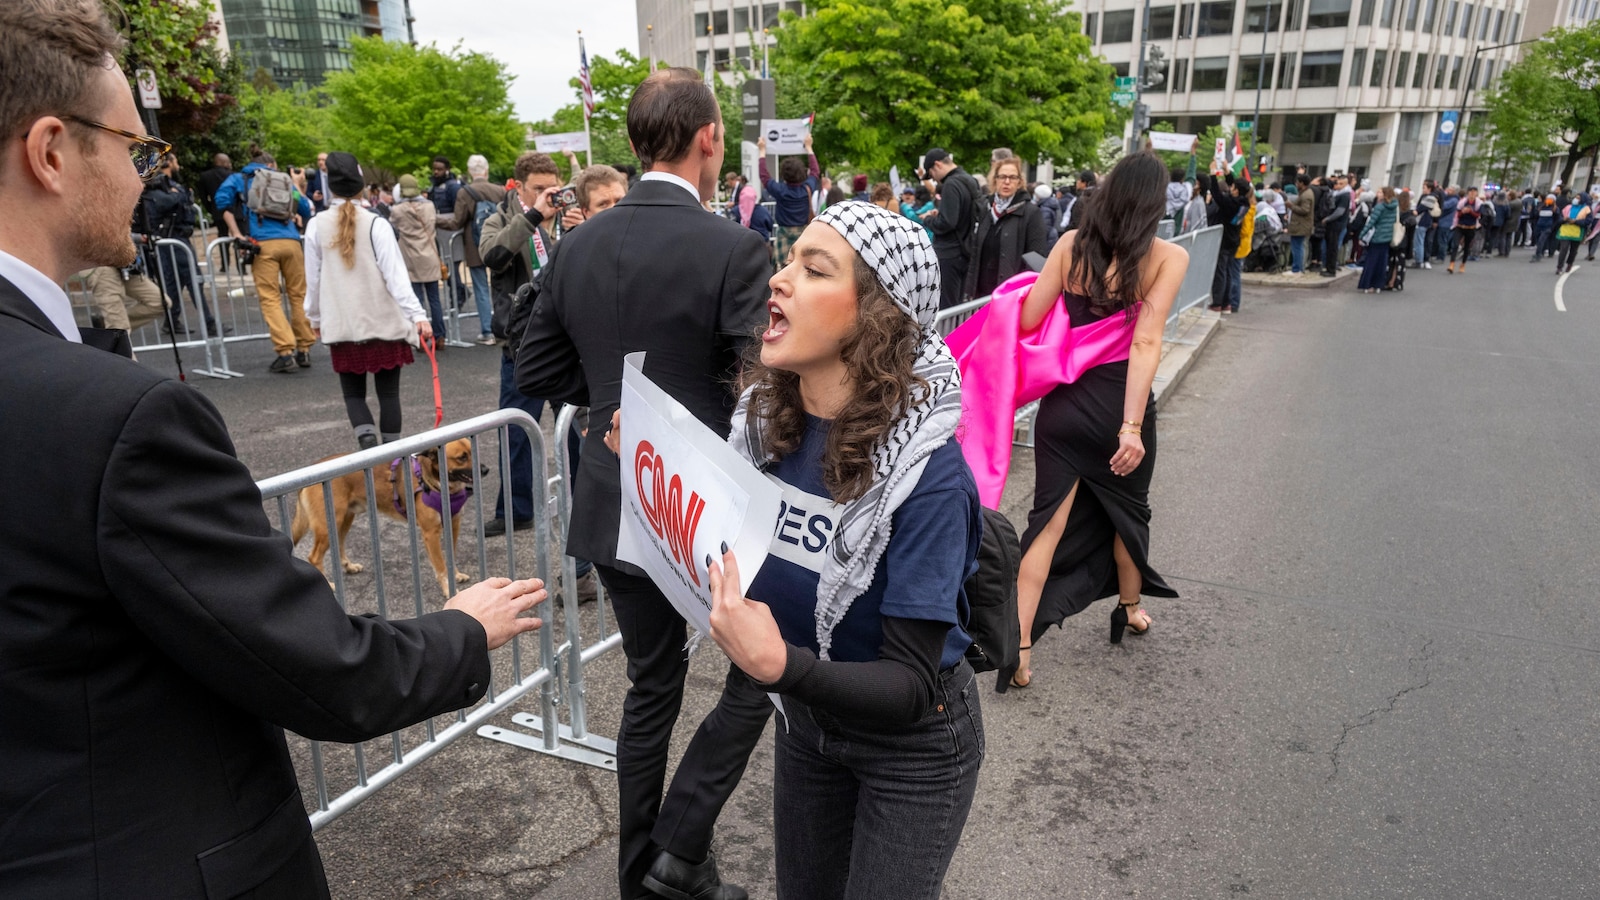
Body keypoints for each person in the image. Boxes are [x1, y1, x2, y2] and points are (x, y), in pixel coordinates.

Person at [0, 3, 548, 895]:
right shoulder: (116, 416)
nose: (144, 179)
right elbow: (319, 670)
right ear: (53, 151)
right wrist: (462, 630)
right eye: (132, 148)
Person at [516, 67, 774, 900]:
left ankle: (645, 874)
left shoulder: (577, 244)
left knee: (652, 685)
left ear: (631, 145)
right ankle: (677, 849)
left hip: (615, 491)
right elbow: (757, 384)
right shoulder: (733, 246)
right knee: (770, 663)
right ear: (708, 141)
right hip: (702, 503)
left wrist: (610, 405)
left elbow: (538, 367)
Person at [696, 202, 982, 898]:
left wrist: (778, 664)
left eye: (813, 268)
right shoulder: (764, 430)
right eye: (787, 259)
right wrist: (648, 455)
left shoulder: (931, 478)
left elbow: (912, 684)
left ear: (875, 317)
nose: (779, 280)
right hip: (809, 728)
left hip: (913, 747)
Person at [1012, 151, 1184, 687]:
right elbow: (1147, 343)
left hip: (1063, 409)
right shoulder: (1167, 258)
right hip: (1117, 409)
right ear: (1154, 206)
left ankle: (1017, 652)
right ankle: (1129, 609)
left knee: (1045, 526)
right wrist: (1131, 427)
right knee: (1128, 513)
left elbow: (1029, 318)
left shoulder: (1068, 248)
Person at [303, 152, 433, 449]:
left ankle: (368, 446)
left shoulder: (316, 225)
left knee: (353, 395)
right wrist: (418, 315)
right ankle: (391, 454)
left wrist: (315, 319)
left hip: (344, 323)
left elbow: (314, 279)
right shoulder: (377, 224)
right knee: (389, 395)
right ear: (361, 184)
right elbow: (396, 277)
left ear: (331, 186)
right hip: (382, 321)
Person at [479, 151, 563, 539]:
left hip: (564, 340)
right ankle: (515, 510)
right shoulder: (500, 218)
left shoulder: (562, 218)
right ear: (519, 187)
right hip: (522, 342)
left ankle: (579, 501)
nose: (548, 195)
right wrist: (531, 218)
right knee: (515, 429)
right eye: (539, 189)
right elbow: (493, 256)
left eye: (553, 188)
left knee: (574, 429)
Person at [215, 150, 315, 373]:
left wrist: (236, 233)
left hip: (262, 244)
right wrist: (297, 185)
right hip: (291, 242)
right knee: (298, 295)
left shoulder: (239, 179)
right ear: (271, 164)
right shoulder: (284, 180)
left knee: (270, 298)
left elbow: (221, 202)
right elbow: (306, 209)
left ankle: (285, 351)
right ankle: (304, 348)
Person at [442, 153, 508, 346]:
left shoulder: (465, 192)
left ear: (470, 172)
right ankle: (505, 326)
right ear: (486, 170)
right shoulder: (500, 190)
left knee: (480, 288)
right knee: (501, 286)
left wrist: (435, 219)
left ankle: (487, 331)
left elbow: (457, 222)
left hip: (475, 246)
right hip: (500, 243)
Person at [965, 155, 1049, 300]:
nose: (1007, 182)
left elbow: (1036, 257)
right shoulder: (985, 209)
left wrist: (1022, 293)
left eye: (1012, 177)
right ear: (995, 180)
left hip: (1010, 295)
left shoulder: (1030, 212)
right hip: (980, 294)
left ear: (1019, 182)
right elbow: (975, 253)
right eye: (1002, 176)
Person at [388, 173, 447, 339]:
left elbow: (393, 226)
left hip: (410, 257)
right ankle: (440, 335)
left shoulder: (398, 210)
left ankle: (421, 337)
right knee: (435, 298)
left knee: (417, 299)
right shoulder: (429, 205)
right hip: (430, 256)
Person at [921, 147, 980, 309]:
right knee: (959, 305)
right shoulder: (970, 180)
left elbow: (947, 223)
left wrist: (928, 219)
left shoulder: (951, 184)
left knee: (947, 305)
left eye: (931, 173)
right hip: (967, 250)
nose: (933, 179)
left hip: (949, 253)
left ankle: (949, 335)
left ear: (937, 165)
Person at [759, 131, 820, 266]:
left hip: (783, 236)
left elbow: (764, 176)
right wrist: (809, 148)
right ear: (802, 172)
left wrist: (762, 151)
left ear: (784, 174)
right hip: (803, 234)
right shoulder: (807, 189)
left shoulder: (780, 190)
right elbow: (815, 171)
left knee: (783, 268)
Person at [1197, 170, 1244, 310]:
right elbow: (1230, 188)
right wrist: (1227, 172)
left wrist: (1213, 174)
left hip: (1224, 240)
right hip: (1234, 240)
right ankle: (1227, 302)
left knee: (1220, 272)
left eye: (1233, 187)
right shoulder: (1243, 202)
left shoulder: (1229, 204)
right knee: (1229, 271)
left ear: (1236, 190)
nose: (1231, 188)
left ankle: (1218, 302)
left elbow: (1217, 194)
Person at [1358, 186, 1398, 294]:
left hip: (1377, 236)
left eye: (1380, 192)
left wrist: (1362, 234)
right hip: (1387, 237)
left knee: (1371, 261)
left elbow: (1371, 222)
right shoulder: (1395, 206)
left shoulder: (1380, 207)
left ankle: (1367, 284)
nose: (1377, 194)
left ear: (1385, 195)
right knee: (1382, 262)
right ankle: (1378, 284)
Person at [1446, 186, 1483, 275]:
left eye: (1474, 192)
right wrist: (1462, 212)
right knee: (1455, 245)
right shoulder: (1462, 202)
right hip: (1460, 226)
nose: (1472, 194)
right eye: (1470, 192)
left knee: (1466, 247)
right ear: (1468, 193)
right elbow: (1457, 214)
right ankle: (1451, 264)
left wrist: (1470, 211)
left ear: (1477, 194)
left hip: (1470, 227)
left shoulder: (1479, 204)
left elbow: (1478, 215)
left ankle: (1463, 264)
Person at [1320, 174, 1350, 276]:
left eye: (1341, 183)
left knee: (1333, 247)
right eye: (1338, 183)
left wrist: (1328, 219)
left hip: (1336, 224)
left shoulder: (1345, 195)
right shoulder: (1338, 194)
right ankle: (1329, 268)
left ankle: (1331, 270)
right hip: (1333, 224)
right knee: (1330, 247)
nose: (1338, 185)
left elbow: (1339, 211)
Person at [1554, 191, 1590, 274]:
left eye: (1578, 198)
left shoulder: (1586, 209)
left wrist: (1576, 222)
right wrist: (1563, 219)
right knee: (1563, 249)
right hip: (1565, 231)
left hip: (1577, 233)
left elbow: (1588, 221)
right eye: (1575, 197)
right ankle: (1559, 267)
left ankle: (1570, 263)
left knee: (1573, 250)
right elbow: (1559, 218)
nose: (1576, 199)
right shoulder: (1568, 207)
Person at [1287, 173, 1314, 274]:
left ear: (1302, 183)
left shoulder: (1306, 195)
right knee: (1299, 247)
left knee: (1297, 247)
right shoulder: (1305, 193)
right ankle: (1299, 268)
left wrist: (1291, 206)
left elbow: (1305, 210)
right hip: (1301, 225)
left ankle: (1297, 269)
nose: (1296, 184)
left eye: (1297, 182)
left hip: (1300, 225)